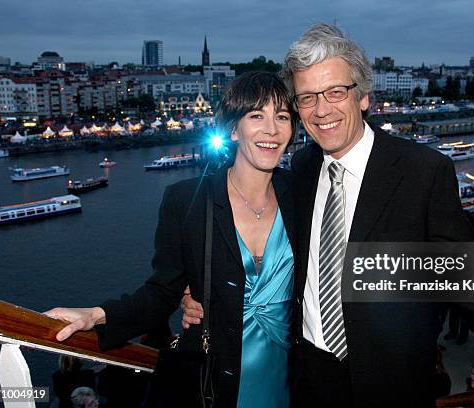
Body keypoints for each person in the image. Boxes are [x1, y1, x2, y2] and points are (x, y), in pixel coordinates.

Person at [184, 24, 474, 407]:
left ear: (364, 96)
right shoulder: (299, 170)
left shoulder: (423, 170)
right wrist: (203, 291)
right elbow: (259, 241)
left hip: (392, 384)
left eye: (335, 91)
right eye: (307, 98)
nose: (322, 110)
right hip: (307, 379)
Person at [46, 71, 298, 407]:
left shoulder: (300, 194)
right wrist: (97, 315)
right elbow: (162, 291)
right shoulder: (187, 200)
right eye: (256, 116)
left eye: (282, 117)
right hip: (216, 376)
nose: (272, 129)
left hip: (290, 375)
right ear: (233, 130)